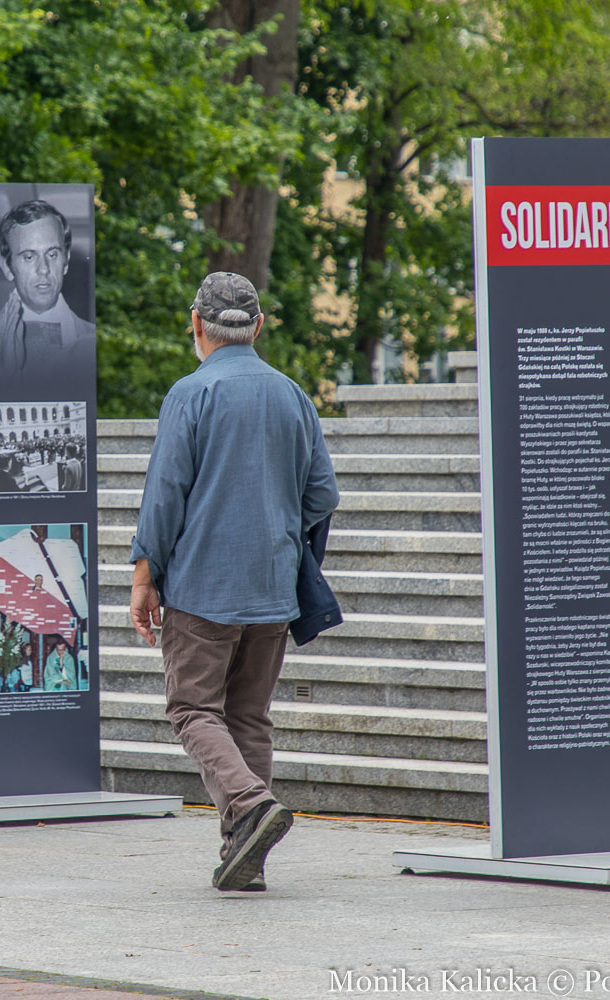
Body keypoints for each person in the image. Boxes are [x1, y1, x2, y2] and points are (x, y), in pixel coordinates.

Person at [128, 271, 339, 893]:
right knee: (249, 716)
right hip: (272, 585)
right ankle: (246, 858)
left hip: (202, 586)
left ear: (197, 326)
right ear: (258, 326)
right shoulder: (294, 394)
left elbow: (165, 496)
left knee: (194, 707)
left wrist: (145, 576)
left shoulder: (191, 394)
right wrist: (275, 529)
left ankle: (247, 804)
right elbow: (323, 493)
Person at [0, 199, 96, 381]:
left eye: (52, 255)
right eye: (29, 257)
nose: (43, 269)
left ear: (65, 261)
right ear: (7, 267)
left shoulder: (93, 339)